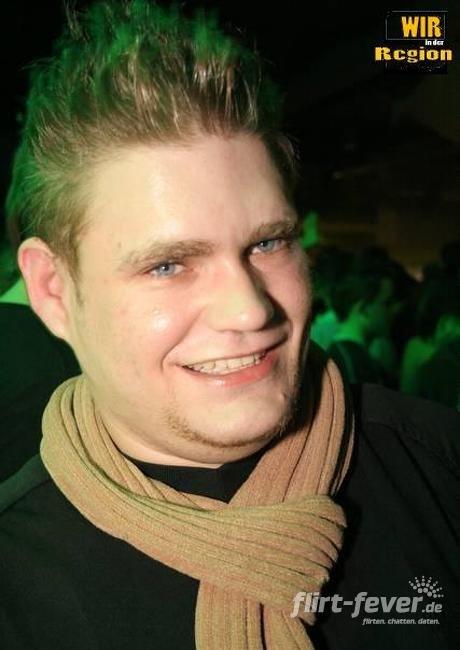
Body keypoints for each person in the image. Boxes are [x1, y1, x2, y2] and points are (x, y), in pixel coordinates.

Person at [0, 2, 458, 649]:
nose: (250, 309)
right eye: (167, 265)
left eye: (268, 244)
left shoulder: (441, 467)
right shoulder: (15, 580)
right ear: (53, 290)